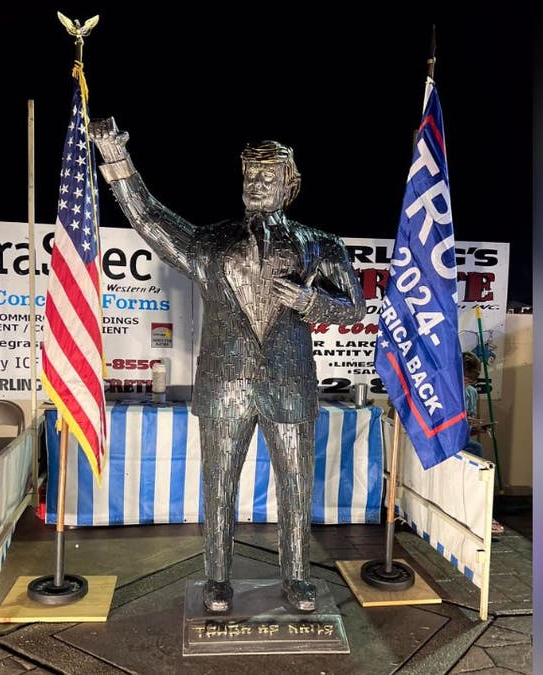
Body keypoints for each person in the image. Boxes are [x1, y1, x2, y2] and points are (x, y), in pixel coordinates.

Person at [90, 119, 365, 612]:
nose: (256, 184)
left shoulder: (319, 243)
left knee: (296, 487)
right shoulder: (209, 243)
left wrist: (311, 303)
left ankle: (298, 579)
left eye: (268, 176)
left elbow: (356, 305)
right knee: (217, 484)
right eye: (249, 176)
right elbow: (150, 219)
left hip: (289, 384)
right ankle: (217, 579)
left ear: (290, 185)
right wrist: (116, 158)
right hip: (224, 384)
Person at [463, 352, 505, 534]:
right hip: (444, 441)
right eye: (465, 378)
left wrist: (477, 428)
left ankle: (483, 512)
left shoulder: (471, 393)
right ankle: (479, 513)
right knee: (475, 449)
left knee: (479, 454)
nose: (468, 383)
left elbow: (468, 425)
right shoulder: (444, 389)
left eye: (472, 380)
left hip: (462, 440)